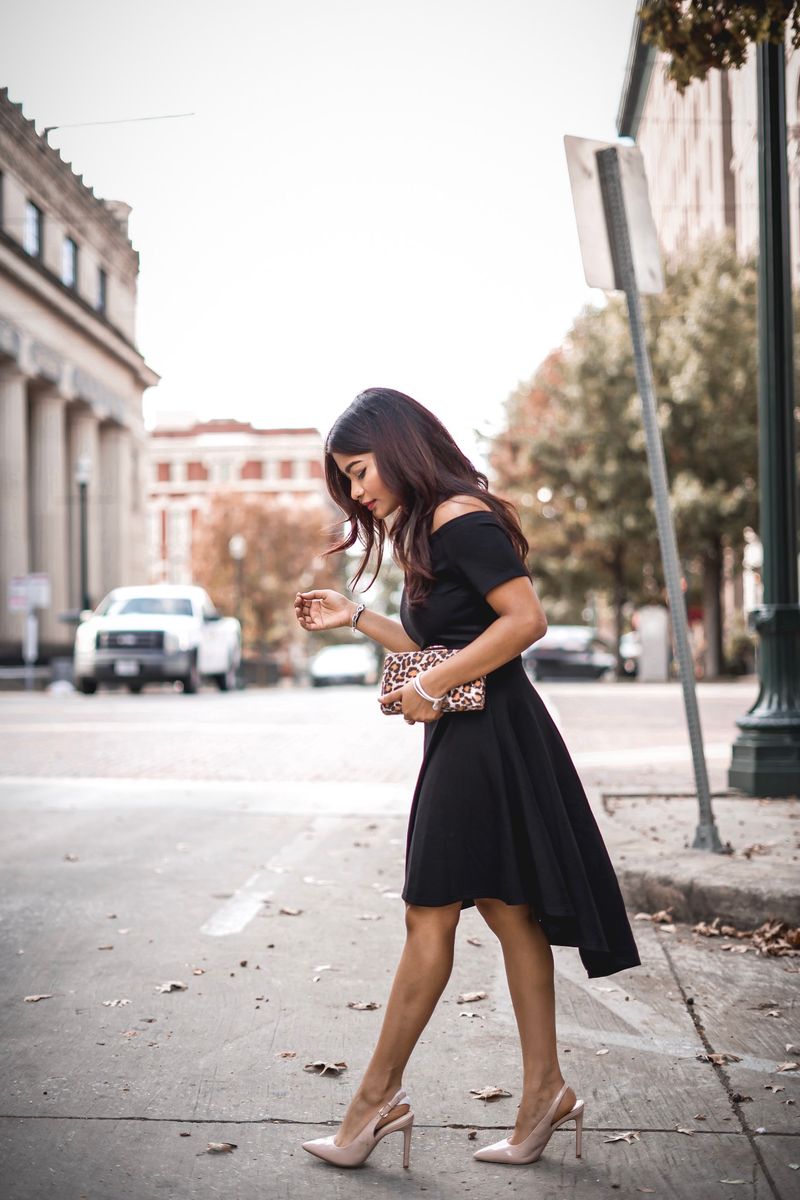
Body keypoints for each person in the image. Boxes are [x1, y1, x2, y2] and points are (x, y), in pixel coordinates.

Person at [293, 387, 640, 1171]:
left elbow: (524, 622)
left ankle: (373, 1104)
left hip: (485, 737)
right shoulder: (437, 524)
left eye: (359, 470)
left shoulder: (457, 516)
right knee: (509, 913)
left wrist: (429, 686)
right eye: (344, 480)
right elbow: (446, 639)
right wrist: (356, 618)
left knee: (429, 913)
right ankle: (545, 1090)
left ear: (398, 444)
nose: (356, 492)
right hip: (481, 730)